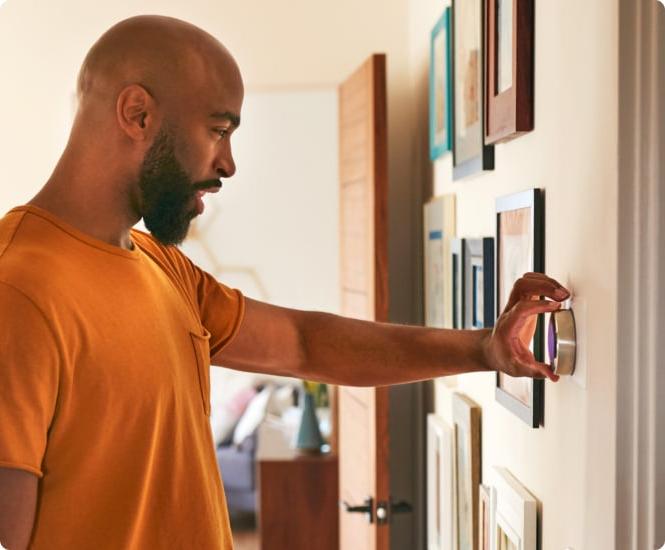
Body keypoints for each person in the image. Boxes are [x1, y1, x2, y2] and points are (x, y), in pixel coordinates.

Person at [0, 15, 569, 550]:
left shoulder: (157, 264)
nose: (228, 163)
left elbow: (303, 343)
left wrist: (485, 349)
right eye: (218, 129)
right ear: (138, 114)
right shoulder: (18, 287)